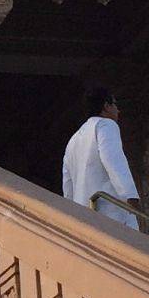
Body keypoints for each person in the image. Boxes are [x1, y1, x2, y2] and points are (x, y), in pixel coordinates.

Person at [61, 88, 140, 230]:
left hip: (84, 215)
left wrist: (72, 212)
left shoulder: (73, 140)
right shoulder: (105, 125)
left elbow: (68, 184)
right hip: (109, 211)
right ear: (106, 106)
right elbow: (113, 160)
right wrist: (129, 195)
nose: (118, 110)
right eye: (115, 104)